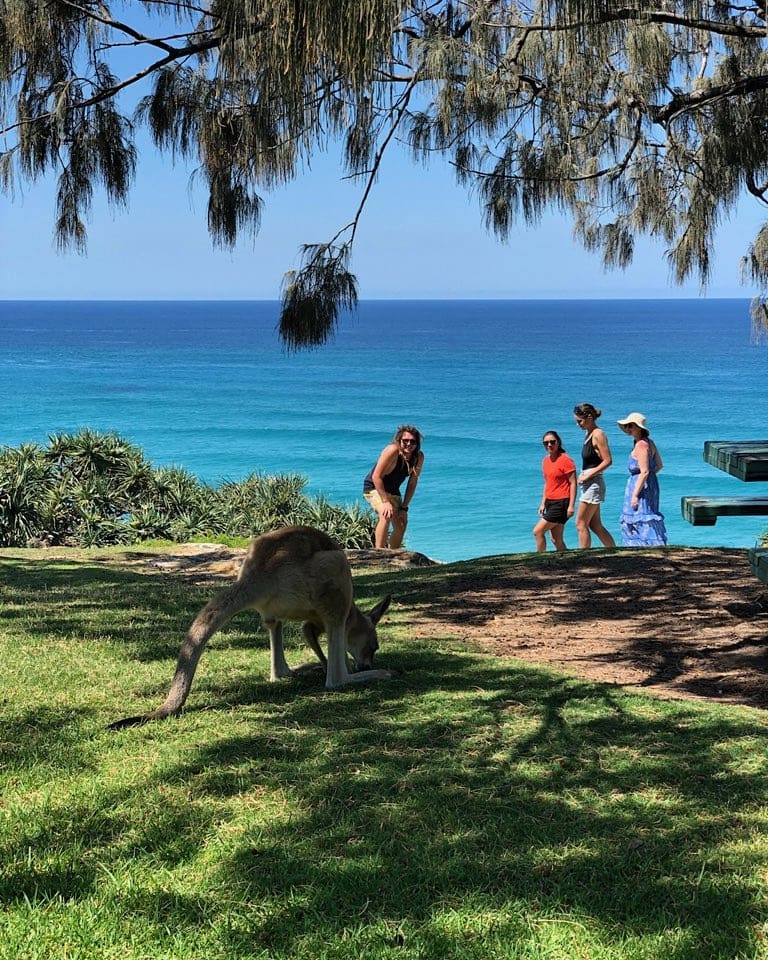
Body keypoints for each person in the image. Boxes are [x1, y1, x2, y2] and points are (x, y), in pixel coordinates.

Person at [363, 425, 424, 549]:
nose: (409, 444)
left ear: (417, 444)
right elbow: (376, 476)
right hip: (374, 487)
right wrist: (385, 501)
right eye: (405, 441)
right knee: (385, 514)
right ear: (399, 440)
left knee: (401, 523)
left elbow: (412, 482)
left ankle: (393, 555)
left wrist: (404, 508)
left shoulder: (418, 457)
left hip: (393, 491)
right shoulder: (392, 451)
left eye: (413, 441)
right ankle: (378, 554)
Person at [617, 412, 668, 547]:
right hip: (649, 485)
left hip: (640, 487)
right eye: (627, 426)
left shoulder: (641, 445)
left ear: (639, 428)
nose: (628, 429)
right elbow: (659, 465)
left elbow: (644, 471)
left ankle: (643, 545)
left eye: (631, 426)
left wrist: (635, 494)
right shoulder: (649, 443)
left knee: (640, 516)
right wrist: (651, 479)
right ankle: (646, 546)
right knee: (646, 515)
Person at [573, 402, 616, 549]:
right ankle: (613, 551)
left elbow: (608, 460)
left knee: (580, 523)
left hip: (593, 482)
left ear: (589, 417)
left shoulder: (598, 434)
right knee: (595, 525)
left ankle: (584, 557)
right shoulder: (589, 434)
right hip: (589, 482)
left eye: (580, 421)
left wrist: (587, 475)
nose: (578, 424)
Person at [533, 431, 577, 551]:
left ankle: (539, 559)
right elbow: (548, 483)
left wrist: (571, 506)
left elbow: (573, 483)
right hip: (550, 502)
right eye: (546, 443)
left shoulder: (565, 460)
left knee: (538, 531)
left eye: (552, 442)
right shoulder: (546, 461)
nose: (549, 445)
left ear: (558, 442)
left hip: (561, 502)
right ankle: (567, 561)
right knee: (556, 539)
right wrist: (543, 502)